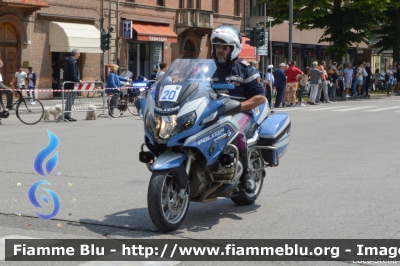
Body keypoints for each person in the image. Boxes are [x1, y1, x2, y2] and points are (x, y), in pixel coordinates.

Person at [210, 24, 266, 194]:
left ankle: (245, 175)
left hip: (240, 113)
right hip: (212, 112)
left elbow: (260, 97)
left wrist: (239, 106)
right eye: (217, 47)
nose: (220, 50)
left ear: (233, 49)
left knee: (235, 130)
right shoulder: (207, 69)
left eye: (224, 47)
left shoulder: (246, 69)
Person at [63, 49, 83, 122]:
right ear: (76, 54)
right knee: (70, 100)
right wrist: (78, 80)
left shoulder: (69, 61)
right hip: (70, 84)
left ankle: (66, 114)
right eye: (79, 54)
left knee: (69, 100)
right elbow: (73, 74)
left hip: (68, 84)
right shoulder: (72, 62)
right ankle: (67, 115)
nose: (79, 55)